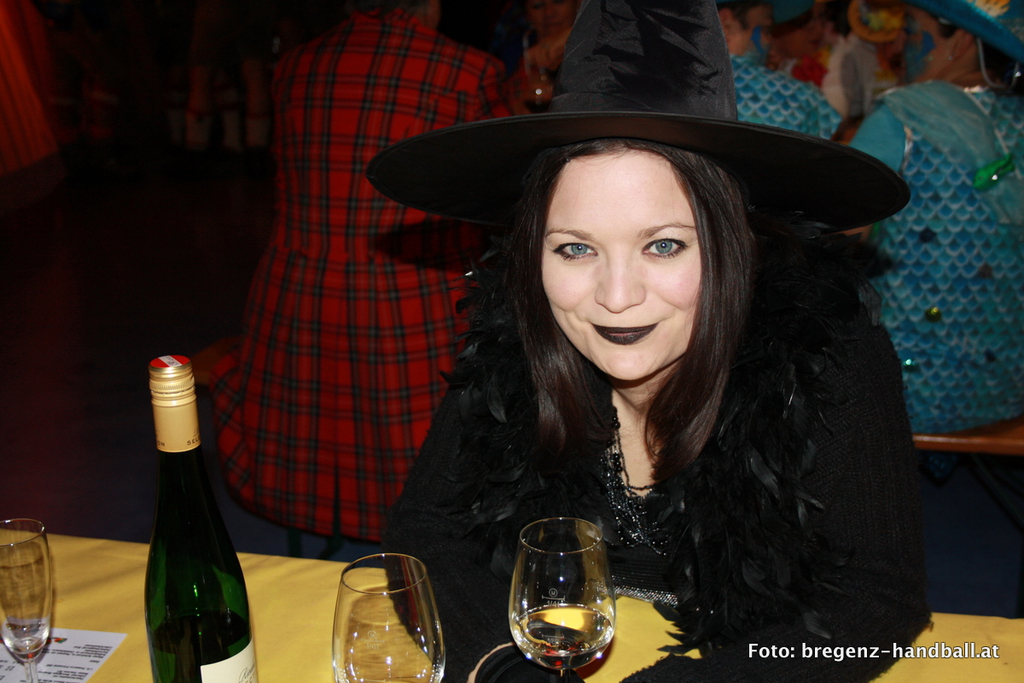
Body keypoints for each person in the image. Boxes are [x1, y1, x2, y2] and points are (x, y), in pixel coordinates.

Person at [372, 0, 929, 680]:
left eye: (663, 245)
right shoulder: (516, 336)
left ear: (730, 244)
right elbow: (426, 533)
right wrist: (503, 669)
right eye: (575, 248)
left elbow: (875, 597)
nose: (616, 296)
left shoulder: (831, 353)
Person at [209, 0, 510, 544]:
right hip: (411, 295)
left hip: (297, 292)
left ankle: (314, 531)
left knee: (307, 447)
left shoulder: (295, 66)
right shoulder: (466, 70)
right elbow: (500, 195)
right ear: (430, 4)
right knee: (432, 448)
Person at [849, 0, 1024, 434]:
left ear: (960, 41)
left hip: (907, 387)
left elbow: (839, 225)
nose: (899, 43)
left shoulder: (904, 115)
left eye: (911, 29)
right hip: (1009, 384)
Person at [718, 0, 842, 136]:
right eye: (765, 30)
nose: (769, 42)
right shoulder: (799, 97)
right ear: (726, 23)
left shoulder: (701, 84)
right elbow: (838, 137)